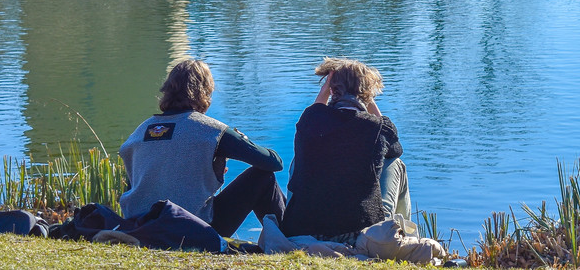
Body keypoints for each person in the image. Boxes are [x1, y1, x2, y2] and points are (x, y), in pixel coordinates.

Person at [119, 59, 286, 237]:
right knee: (262, 178)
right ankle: (292, 240)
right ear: (205, 92)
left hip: (141, 228)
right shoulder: (209, 130)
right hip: (193, 230)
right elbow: (273, 162)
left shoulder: (140, 132)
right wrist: (242, 139)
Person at [281, 58, 410, 241]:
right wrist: (369, 100)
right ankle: (402, 238)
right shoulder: (378, 127)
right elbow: (395, 148)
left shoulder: (310, 119)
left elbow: (316, 110)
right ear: (366, 94)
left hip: (303, 228)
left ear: (332, 90)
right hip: (360, 231)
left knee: (300, 157)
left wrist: (326, 90)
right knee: (395, 163)